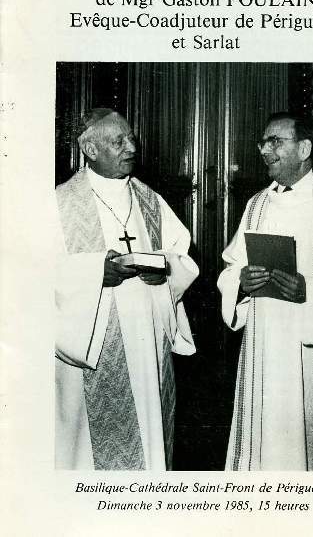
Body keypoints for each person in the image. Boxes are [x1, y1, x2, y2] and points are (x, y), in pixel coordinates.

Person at [55, 108, 199, 470]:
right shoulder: (59, 204)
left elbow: (182, 257)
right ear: (89, 148)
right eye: (119, 140)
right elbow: (30, 273)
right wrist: (94, 273)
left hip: (147, 345)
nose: (131, 146)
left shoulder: (149, 199)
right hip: (93, 346)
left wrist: (163, 271)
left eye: (131, 137)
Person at [218, 112, 313, 471]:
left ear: (304, 148)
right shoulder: (258, 203)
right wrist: (242, 284)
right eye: (263, 142)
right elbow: (231, 268)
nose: (264, 150)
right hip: (264, 347)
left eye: (275, 141)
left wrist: (311, 290)